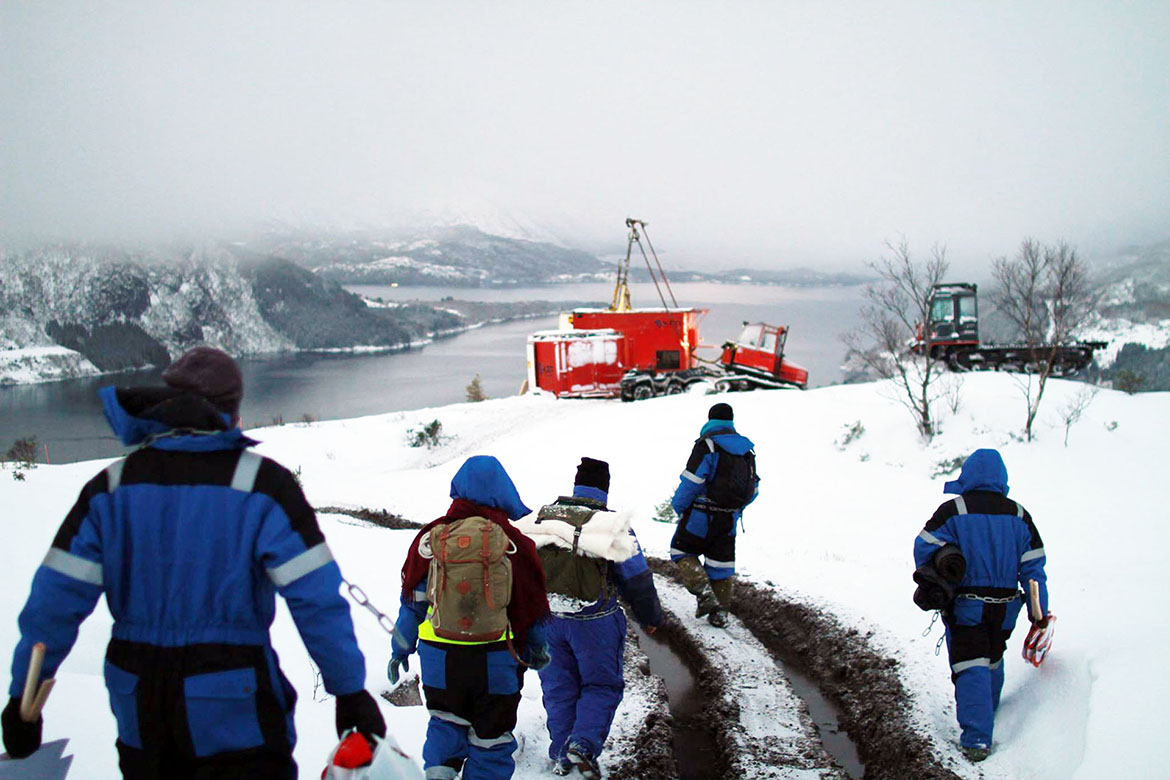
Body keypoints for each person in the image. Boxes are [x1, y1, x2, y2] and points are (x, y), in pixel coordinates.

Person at [1, 346, 385, 779]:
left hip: (139, 700)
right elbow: (316, 599)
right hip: (235, 700)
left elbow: (55, 601)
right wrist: (349, 691)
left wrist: (23, 700)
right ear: (232, 412)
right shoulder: (262, 485)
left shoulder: (110, 488)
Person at [388, 456, 550, 780]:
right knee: (491, 741)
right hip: (495, 662)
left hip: (439, 662)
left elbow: (412, 605)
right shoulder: (515, 544)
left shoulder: (432, 539)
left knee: (444, 726)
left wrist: (399, 649)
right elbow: (529, 609)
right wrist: (536, 649)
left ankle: (438, 774)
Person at [516, 457, 663, 779]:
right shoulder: (610, 524)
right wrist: (650, 617)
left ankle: (561, 753)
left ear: (576, 485)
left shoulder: (545, 517)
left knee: (558, 687)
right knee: (601, 685)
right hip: (595, 623)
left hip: (547, 620)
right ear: (604, 489)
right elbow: (636, 577)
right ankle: (582, 746)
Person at [914, 448, 1049, 762]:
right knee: (992, 657)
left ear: (968, 476)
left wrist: (946, 559)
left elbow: (923, 547)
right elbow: (1033, 569)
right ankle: (989, 711)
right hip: (1006, 609)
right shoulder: (1019, 515)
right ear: (1001, 478)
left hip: (967, 605)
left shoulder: (954, 510)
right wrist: (1038, 613)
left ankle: (976, 738)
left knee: (970, 664)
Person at [669, 402, 758, 627]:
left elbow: (691, 482)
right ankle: (720, 614)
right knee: (721, 565)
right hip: (728, 519)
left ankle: (704, 593)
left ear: (710, 420)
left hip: (700, 515)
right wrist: (734, 509)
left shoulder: (707, 445)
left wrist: (679, 506)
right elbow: (754, 489)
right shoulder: (747, 451)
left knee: (681, 550)